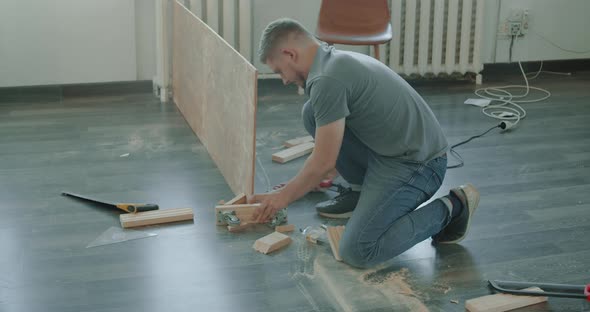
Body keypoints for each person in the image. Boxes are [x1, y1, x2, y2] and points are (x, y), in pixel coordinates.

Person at [248, 18, 480, 268]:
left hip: (419, 164)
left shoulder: (327, 80)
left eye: (280, 71)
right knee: (311, 112)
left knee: (358, 250)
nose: (283, 80)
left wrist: (283, 197)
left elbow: (324, 162)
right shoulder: (329, 61)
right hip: (391, 151)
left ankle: (454, 206)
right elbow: (327, 154)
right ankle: (359, 193)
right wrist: (302, 183)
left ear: (289, 53)